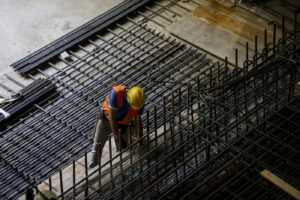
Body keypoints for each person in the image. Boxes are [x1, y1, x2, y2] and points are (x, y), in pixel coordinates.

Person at [89, 86, 146, 168]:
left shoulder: (139, 101)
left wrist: (139, 137)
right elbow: (112, 118)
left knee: (125, 147)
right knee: (98, 143)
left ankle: (122, 165)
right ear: (128, 97)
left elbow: (137, 120)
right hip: (106, 119)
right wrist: (117, 136)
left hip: (123, 124)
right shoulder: (116, 94)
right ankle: (93, 166)